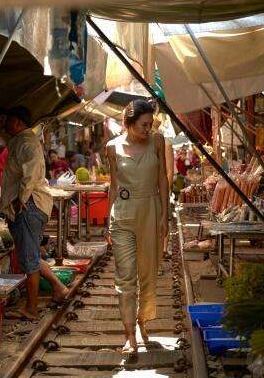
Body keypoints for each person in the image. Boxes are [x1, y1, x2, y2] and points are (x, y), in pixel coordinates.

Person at [106, 99, 169, 355]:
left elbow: (163, 178)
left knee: (148, 274)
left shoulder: (157, 141)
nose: (148, 128)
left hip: (151, 211)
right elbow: (113, 185)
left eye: (150, 124)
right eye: (144, 124)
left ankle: (144, 321)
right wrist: (107, 219)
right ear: (129, 124)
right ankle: (130, 334)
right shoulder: (112, 147)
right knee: (125, 275)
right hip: (122, 213)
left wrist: (165, 214)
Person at [0, 106, 70, 319]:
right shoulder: (19, 140)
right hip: (29, 205)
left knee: (28, 260)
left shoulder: (27, 142)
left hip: (29, 206)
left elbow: (31, 175)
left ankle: (31, 309)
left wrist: (21, 199)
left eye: (9, 120)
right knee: (28, 254)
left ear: (19, 123)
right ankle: (59, 288)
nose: (5, 124)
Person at [152, 117, 175, 271]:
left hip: (160, 190)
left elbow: (169, 172)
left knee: (160, 226)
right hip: (146, 191)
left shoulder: (165, 144)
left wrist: (163, 191)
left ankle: (158, 262)